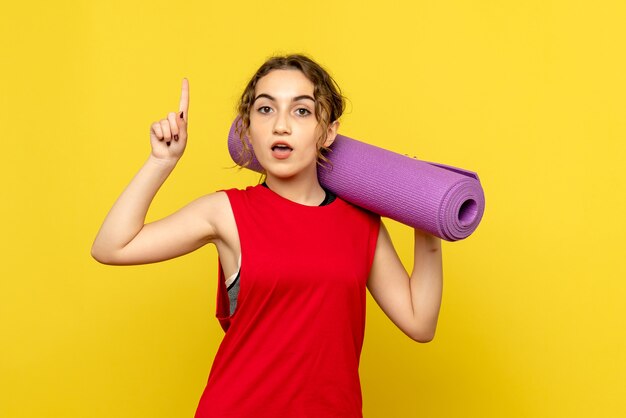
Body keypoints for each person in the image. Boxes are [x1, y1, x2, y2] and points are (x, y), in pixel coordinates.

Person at [91, 54, 443, 417]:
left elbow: (420, 323)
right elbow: (112, 246)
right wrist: (161, 162)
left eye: (302, 111)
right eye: (265, 109)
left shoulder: (362, 223)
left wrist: (425, 214)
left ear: (330, 131)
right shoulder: (226, 212)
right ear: (247, 127)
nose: (281, 126)